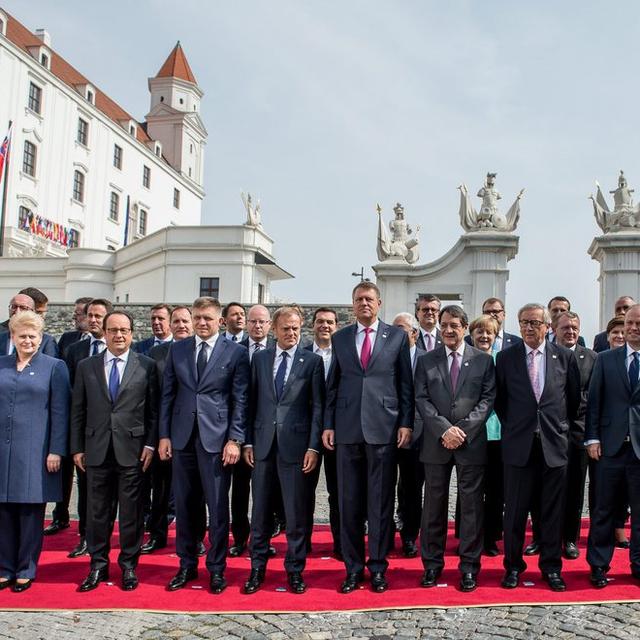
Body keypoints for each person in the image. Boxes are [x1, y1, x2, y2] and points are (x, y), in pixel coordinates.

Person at [323, 281, 414, 594]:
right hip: (347, 429)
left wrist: (405, 423)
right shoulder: (341, 337)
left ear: (379, 303)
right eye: (359, 299)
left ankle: (377, 567)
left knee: (379, 503)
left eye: (369, 299)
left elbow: (405, 384)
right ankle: (353, 568)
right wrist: (328, 424)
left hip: (384, 429)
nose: (364, 304)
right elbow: (332, 385)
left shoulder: (397, 337)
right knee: (349, 503)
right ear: (353, 304)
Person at [159, 297, 250, 594]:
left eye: (207, 318)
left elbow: (240, 399)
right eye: (197, 317)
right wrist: (164, 436)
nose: (201, 323)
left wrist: (235, 439)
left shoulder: (236, 353)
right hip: (182, 437)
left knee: (218, 507)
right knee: (184, 506)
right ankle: (186, 565)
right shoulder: (179, 349)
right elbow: (168, 395)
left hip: (217, 439)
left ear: (220, 321)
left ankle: (216, 568)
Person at [71, 311, 159, 592]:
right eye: (113, 330)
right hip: (95, 450)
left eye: (124, 330)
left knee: (131, 514)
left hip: (133, 452)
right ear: (105, 333)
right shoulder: (87, 366)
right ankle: (97, 565)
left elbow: (154, 412)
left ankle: (129, 566)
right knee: (97, 513)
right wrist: (77, 448)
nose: (118, 335)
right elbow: (78, 410)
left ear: (132, 333)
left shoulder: (146, 365)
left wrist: (150, 444)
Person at [495, 303, 581, 592]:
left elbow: (571, 401)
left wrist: (556, 430)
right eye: (523, 322)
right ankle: (513, 567)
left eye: (534, 322)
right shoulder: (506, 358)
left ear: (547, 326)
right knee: (515, 513)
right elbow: (501, 401)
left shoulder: (565, 357)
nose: (529, 328)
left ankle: (551, 567)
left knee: (551, 512)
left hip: (553, 446)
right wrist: (519, 427)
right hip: (519, 446)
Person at [242, 306, 324, 594]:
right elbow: (251, 403)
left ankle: (295, 570)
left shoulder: (312, 361)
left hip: (297, 448)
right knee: (261, 513)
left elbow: (318, 408)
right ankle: (257, 569)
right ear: (273, 330)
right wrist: (248, 441)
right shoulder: (260, 359)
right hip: (263, 447)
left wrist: (314, 446)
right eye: (286, 328)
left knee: (296, 514)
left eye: (296, 328)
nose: (291, 333)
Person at [415, 306, 495, 593]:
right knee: (433, 506)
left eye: (454, 325)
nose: (448, 330)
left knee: (471, 507)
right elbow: (421, 399)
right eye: (444, 325)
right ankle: (432, 565)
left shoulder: (483, 361)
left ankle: (469, 567)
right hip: (436, 443)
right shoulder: (426, 361)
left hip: (470, 442)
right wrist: (443, 429)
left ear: (464, 328)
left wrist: (462, 431)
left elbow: (487, 400)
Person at [0, 311, 70, 592]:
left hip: (36, 451)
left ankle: (26, 568)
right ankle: (4, 567)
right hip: (2, 452)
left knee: (30, 512)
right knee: (3, 510)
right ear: (13, 338)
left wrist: (56, 450)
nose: (27, 340)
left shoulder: (54, 367)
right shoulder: (1, 365)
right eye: (22, 336)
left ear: (41, 339)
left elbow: (60, 411)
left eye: (33, 336)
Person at [51, 298, 114, 556]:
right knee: (86, 487)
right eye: (91, 315)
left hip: (117, 433)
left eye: (99, 315)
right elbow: (70, 397)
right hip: (88, 432)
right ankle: (86, 537)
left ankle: (107, 536)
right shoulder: (75, 350)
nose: (94, 319)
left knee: (111, 491)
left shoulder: (121, 350)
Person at [142, 306, 206, 555]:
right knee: (160, 489)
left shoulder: (201, 352)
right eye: (176, 321)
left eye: (185, 321)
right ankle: (157, 534)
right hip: (165, 432)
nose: (181, 325)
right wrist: (159, 436)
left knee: (195, 491)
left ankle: (196, 537)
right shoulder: (156, 354)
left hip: (194, 433)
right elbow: (154, 397)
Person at [586, 304, 640, 588]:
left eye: (638, 324)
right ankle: (598, 564)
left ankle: (638, 564)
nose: (633, 328)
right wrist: (592, 438)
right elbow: (594, 401)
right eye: (630, 323)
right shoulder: (606, 359)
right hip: (609, 447)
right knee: (604, 509)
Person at [229, 304, 274, 557]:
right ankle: (239, 538)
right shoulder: (235, 352)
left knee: (265, 492)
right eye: (253, 322)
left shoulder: (277, 350)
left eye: (262, 322)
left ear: (270, 325)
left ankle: (263, 539)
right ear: (246, 323)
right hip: (238, 432)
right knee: (239, 490)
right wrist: (238, 437)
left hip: (268, 434)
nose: (257, 326)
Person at [305, 307, 341, 558]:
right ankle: (302, 543)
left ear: (336, 326)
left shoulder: (345, 354)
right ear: (313, 325)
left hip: (338, 434)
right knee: (304, 492)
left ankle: (340, 543)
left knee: (338, 493)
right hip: (305, 434)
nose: (325, 326)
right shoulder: (303, 354)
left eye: (329, 322)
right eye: (320, 322)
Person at [392, 312, 426, 558]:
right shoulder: (383, 357)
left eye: (402, 329)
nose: (396, 334)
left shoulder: (428, 359)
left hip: (418, 434)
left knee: (412, 488)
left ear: (415, 333)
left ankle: (409, 536)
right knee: (382, 486)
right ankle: (382, 533)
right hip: (385, 431)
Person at [469, 314, 503, 556]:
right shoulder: (467, 361)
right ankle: (469, 536)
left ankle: (491, 538)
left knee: (495, 490)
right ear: (472, 335)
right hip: (472, 433)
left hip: (499, 434)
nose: (484, 336)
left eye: (489, 332)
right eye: (479, 331)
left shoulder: (503, 361)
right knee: (470, 490)